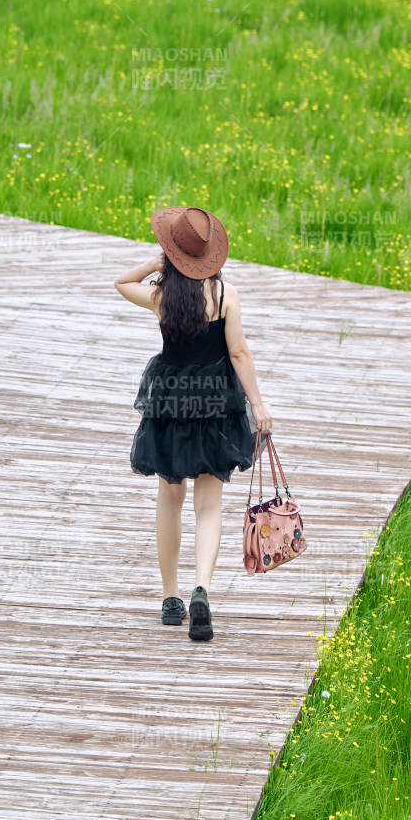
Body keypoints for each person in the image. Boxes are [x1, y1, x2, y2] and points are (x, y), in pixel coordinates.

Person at [113, 206, 272, 642]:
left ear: (172, 252)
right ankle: (201, 588)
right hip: (216, 401)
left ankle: (170, 598)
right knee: (209, 504)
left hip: (169, 400)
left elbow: (121, 282)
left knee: (170, 497)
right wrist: (257, 404)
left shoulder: (161, 296)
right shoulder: (223, 295)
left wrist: (154, 264)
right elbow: (238, 353)